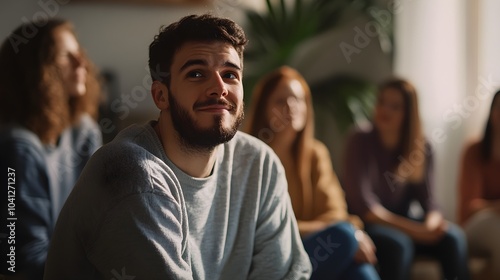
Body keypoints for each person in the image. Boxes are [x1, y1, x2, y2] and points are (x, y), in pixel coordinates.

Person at [43, 14, 311, 279]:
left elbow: (285, 272)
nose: (219, 88)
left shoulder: (259, 163)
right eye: (196, 74)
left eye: (230, 74)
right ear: (161, 95)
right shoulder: (131, 174)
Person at [245, 66, 379, 280]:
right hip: (272, 254)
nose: (290, 107)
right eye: (280, 101)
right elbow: (262, 229)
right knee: (344, 237)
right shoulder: (250, 156)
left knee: (361, 271)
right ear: (264, 108)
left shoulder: (315, 153)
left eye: (297, 99)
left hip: (314, 248)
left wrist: (348, 231)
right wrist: (345, 231)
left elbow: (335, 213)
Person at [0, 19, 102, 279]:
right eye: (67, 57)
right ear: (37, 70)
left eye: (80, 55)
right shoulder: (18, 148)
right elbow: (20, 259)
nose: (83, 65)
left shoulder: (83, 132)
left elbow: (99, 221)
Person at [342, 77, 470, 280]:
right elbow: (366, 209)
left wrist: (431, 224)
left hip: (403, 220)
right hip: (368, 225)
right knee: (399, 244)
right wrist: (418, 232)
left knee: (454, 237)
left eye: (395, 106)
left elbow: (430, 202)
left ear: (409, 114)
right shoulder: (359, 140)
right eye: (382, 102)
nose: (385, 110)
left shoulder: (422, 147)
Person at [458, 89, 500, 278]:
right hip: (473, 225)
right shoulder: (474, 150)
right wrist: (496, 207)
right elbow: (469, 206)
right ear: (492, 111)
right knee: (496, 226)